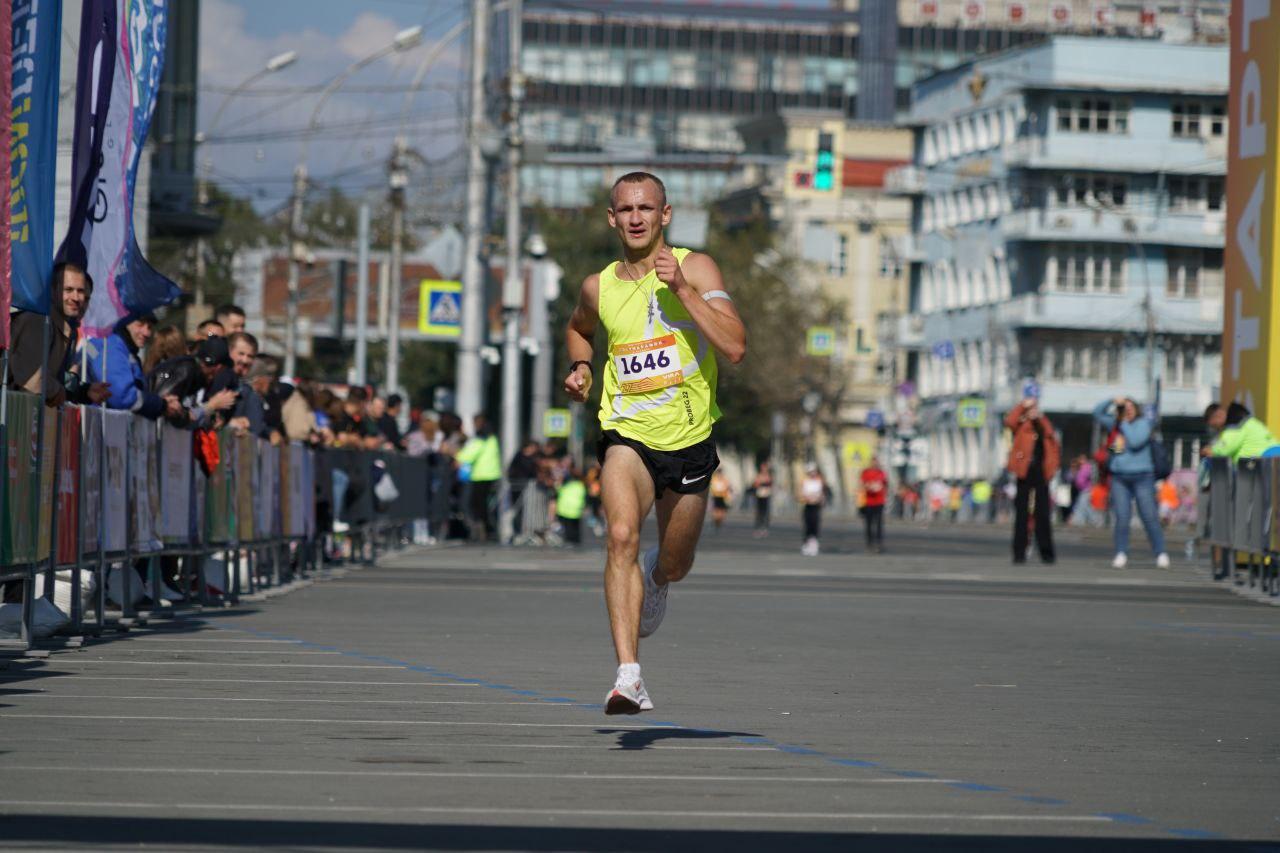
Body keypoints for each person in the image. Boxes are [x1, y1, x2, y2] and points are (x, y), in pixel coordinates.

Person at [563, 170, 746, 715]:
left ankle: (658, 576)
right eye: (626, 209)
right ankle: (629, 676)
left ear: (665, 215)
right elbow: (580, 328)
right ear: (612, 218)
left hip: (689, 439)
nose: (636, 218)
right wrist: (580, 365)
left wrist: (684, 291)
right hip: (626, 433)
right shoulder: (600, 285)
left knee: (675, 560)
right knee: (619, 533)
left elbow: (735, 347)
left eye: (647, 208)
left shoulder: (696, 266)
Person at [7, 263, 109, 406]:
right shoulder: (38, 320)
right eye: (68, 290)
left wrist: (83, 391)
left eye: (81, 291)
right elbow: (31, 377)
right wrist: (57, 391)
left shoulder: (68, 329)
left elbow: (58, 378)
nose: (76, 297)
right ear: (53, 291)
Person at [1093, 396, 1169, 569]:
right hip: (1120, 477)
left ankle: (1160, 552)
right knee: (1122, 517)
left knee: (1149, 516)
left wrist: (1123, 424)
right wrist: (1112, 401)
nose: (1127, 410)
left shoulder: (1143, 424)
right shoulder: (1115, 424)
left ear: (1136, 409)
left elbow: (1135, 442)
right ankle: (1121, 552)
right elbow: (1097, 413)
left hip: (1143, 476)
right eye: (1124, 408)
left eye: (1130, 407)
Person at [84, 312, 182, 420]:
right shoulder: (111, 346)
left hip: (104, 427)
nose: (147, 333)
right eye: (140, 324)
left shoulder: (124, 349)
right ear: (125, 322)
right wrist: (161, 405)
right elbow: (122, 396)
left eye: (149, 327)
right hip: (97, 427)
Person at [1004, 397, 1059, 565]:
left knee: (1042, 515)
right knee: (1021, 515)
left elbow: (1050, 434)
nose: (1033, 413)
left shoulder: (1043, 427)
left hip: (1042, 474)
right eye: (1031, 411)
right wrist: (1022, 406)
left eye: (1035, 409)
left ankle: (1047, 554)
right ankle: (1019, 553)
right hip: (1024, 472)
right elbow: (1009, 421)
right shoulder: (1022, 427)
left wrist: (1040, 417)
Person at [147, 336, 238, 428]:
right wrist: (211, 406)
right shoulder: (186, 370)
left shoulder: (194, 374)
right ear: (218, 367)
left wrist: (213, 417)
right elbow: (169, 411)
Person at [456, 413, 502, 542]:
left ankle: (483, 530)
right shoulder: (492, 438)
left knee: (476, 505)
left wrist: (453, 452)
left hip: (481, 475)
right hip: (491, 474)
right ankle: (487, 530)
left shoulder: (481, 438)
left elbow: (466, 456)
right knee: (484, 505)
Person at [1201, 402, 1279, 462]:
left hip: (1263, 464)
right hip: (1270, 460)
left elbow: (1225, 448)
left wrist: (1210, 450)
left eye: (1214, 426)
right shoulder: (1243, 420)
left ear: (1218, 416)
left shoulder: (1235, 424)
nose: (1217, 429)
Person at [798, 464, 827, 556]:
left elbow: (822, 494)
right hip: (807, 505)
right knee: (807, 524)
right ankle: (806, 543)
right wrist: (806, 497)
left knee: (815, 524)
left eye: (814, 471)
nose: (812, 473)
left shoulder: (820, 481)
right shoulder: (805, 481)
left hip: (816, 506)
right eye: (810, 472)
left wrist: (819, 499)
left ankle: (814, 544)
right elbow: (800, 494)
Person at [860, 457, 888, 552]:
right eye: (873, 462)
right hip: (868, 502)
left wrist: (879, 487)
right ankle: (869, 543)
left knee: (879, 523)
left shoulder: (881, 473)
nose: (874, 464)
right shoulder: (866, 473)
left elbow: (884, 484)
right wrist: (869, 486)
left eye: (876, 462)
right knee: (868, 524)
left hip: (879, 501)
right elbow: (862, 484)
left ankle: (879, 543)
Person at [556, 465, 587, 546]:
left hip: (566, 510)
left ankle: (570, 540)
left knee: (568, 528)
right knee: (575, 527)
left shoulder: (567, 486)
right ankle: (576, 540)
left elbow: (558, 490)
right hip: (576, 510)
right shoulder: (580, 486)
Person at [751, 460, 774, 537]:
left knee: (766, 513)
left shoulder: (769, 476)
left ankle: (765, 528)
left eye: (765, 468)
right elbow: (754, 485)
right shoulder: (759, 476)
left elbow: (771, 485)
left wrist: (767, 482)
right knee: (759, 513)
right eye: (763, 467)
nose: (764, 469)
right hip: (759, 496)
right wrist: (759, 482)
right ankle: (758, 528)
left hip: (766, 496)